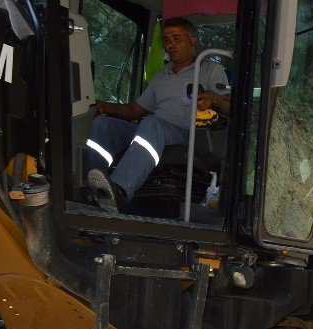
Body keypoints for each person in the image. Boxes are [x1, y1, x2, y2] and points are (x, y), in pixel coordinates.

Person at [85, 17, 230, 213]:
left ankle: (119, 190)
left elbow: (229, 107)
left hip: (188, 134)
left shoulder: (210, 69)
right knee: (103, 125)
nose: (170, 44)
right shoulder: (162, 75)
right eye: (167, 39)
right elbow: (136, 110)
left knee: (152, 124)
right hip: (152, 128)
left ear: (193, 41)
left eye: (176, 38)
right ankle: (97, 190)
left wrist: (213, 98)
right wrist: (106, 107)